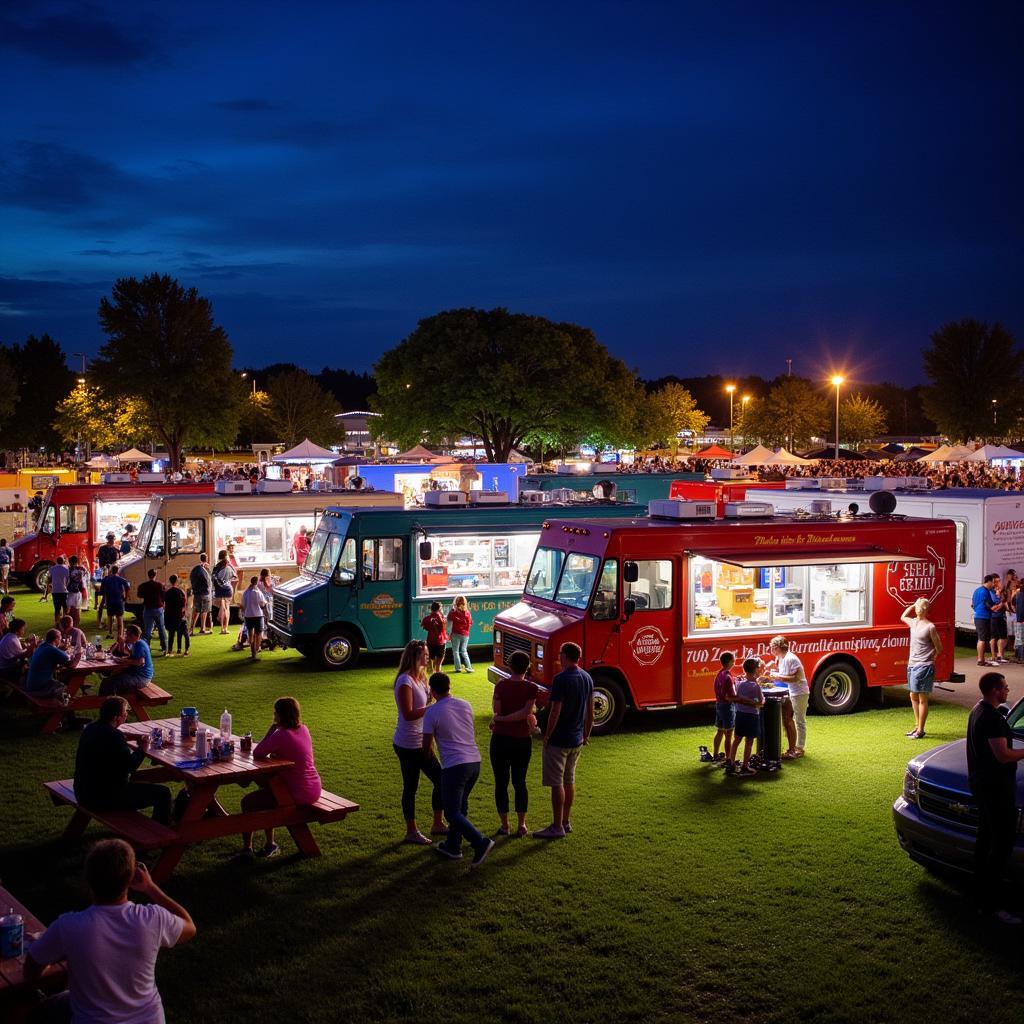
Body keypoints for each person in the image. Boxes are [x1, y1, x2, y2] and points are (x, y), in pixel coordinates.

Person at [25, 837, 195, 1022]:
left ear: (88, 879)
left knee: (40, 1010)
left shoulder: (68, 927)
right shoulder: (153, 918)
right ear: (130, 878)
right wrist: (151, 888)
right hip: (150, 1019)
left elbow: (31, 972)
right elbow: (189, 926)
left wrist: (68, 957)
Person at [966, 672, 1024, 925]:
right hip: (996, 789)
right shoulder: (991, 718)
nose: (1008, 690)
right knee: (1000, 846)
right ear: (994, 690)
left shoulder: (976, 711)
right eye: (1004, 687)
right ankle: (992, 904)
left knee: (985, 841)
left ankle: (979, 897)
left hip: (982, 787)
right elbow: (1002, 755)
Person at [234, 696, 322, 861]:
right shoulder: (303, 729)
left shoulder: (282, 734)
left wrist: (271, 730)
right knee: (266, 788)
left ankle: (247, 849)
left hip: (298, 792)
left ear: (281, 715)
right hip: (313, 787)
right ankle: (270, 844)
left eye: (275, 713)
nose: (274, 716)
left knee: (248, 802)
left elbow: (258, 752)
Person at [422, 672, 495, 868]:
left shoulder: (431, 712)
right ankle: (453, 846)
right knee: (461, 807)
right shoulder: (465, 704)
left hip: (454, 766)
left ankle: (480, 842)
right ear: (449, 686)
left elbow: (426, 745)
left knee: (452, 812)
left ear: (432, 690)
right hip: (474, 762)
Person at [73, 696, 173, 823]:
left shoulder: (91, 728)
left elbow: (117, 736)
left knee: (141, 781)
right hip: (105, 797)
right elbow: (131, 766)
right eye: (125, 712)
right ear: (116, 717)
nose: (126, 715)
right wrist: (143, 747)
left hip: (83, 791)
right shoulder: (114, 737)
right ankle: (162, 834)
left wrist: (136, 736)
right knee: (163, 793)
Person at [535, 642, 594, 840]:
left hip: (560, 739)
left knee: (556, 783)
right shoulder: (587, 677)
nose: (559, 656)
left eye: (561, 653)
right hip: (577, 738)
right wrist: (586, 734)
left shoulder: (561, 679)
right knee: (569, 780)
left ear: (566, 656)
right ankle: (566, 821)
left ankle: (557, 825)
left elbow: (555, 711)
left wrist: (548, 735)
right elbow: (590, 710)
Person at [393, 639, 446, 844]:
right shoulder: (404, 681)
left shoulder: (422, 678)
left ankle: (437, 823)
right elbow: (407, 714)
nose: (428, 656)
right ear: (415, 657)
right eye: (424, 654)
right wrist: (432, 708)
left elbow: (425, 707)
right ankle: (411, 831)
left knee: (440, 779)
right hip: (407, 743)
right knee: (411, 786)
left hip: (420, 740)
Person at [490, 649, 543, 836]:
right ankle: (522, 824)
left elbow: (497, 710)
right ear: (527, 667)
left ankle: (505, 825)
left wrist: (500, 719)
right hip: (521, 739)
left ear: (509, 665)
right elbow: (525, 713)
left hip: (500, 738)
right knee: (519, 782)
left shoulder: (501, 686)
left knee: (501, 782)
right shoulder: (531, 688)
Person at [901, 597, 942, 739]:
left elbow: (939, 647)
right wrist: (912, 605)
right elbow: (903, 616)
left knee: (922, 698)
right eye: (917, 607)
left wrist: (932, 658)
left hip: (924, 666)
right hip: (912, 664)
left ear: (925, 610)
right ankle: (917, 725)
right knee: (913, 694)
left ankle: (921, 730)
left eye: (920, 607)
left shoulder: (930, 627)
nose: (917, 609)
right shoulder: (913, 623)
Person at [767, 635, 808, 759]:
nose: (771, 650)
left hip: (800, 692)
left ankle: (799, 748)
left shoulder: (791, 659)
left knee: (799, 720)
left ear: (778, 647)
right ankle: (793, 747)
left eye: (773, 647)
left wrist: (777, 677)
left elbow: (798, 677)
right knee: (789, 718)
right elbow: (781, 671)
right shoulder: (780, 657)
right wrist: (773, 672)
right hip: (791, 691)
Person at [727, 658, 766, 775]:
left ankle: (731, 762)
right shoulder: (756, 686)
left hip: (740, 715)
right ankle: (745, 765)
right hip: (752, 716)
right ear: (756, 670)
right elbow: (760, 701)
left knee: (737, 739)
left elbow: (737, 698)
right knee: (749, 742)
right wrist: (756, 702)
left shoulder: (739, 684)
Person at [26, 628, 79, 699]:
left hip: (31, 684)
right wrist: (78, 655)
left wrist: (61, 650)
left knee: (58, 681)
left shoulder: (42, 645)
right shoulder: (52, 650)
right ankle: (65, 707)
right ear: (56, 639)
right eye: (60, 640)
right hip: (39, 688)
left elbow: (57, 653)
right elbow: (70, 664)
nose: (60, 642)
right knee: (64, 687)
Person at [100, 623, 153, 694]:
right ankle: (108, 702)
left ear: (133, 635)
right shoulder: (137, 643)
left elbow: (140, 662)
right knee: (108, 680)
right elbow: (133, 658)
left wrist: (123, 660)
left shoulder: (139, 645)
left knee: (110, 682)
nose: (126, 637)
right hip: (135, 674)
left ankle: (110, 702)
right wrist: (120, 659)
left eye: (127, 635)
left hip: (141, 677)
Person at [711, 651, 737, 764]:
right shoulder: (728, 676)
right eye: (734, 660)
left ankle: (716, 754)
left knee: (720, 730)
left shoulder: (720, 673)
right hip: (727, 707)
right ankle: (729, 758)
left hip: (719, 704)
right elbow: (731, 695)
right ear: (731, 661)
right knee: (729, 733)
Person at [137, 568, 168, 654]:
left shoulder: (143, 585)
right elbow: (163, 596)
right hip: (158, 608)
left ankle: (147, 647)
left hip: (148, 609)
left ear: (148, 575)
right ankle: (164, 647)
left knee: (147, 629)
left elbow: (139, 595)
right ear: (155, 575)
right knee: (161, 628)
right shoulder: (159, 585)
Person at [972, 574, 999, 667]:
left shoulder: (977, 590)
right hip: (983, 617)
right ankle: (980, 660)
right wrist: (992, 607)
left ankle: (982, 659)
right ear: (989, 582)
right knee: (982, 638)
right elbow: (986, 602)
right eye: (993, 582)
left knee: (982, 637)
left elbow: (972, 604)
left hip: (978, 616)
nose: (993, 584)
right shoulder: (985, 591)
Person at [240, 575, 268, 660]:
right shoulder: (258, 593)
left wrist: (243, 613)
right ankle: (256, 650)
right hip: (258, 615)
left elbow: (243, 605)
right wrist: (266, 602)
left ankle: (253, 653)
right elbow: (262, 604)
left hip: (248, 615)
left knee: (250, 634)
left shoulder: (246, 592)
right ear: (256, 582)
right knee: (258, 634)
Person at [100, 565, 130, 640]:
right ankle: (120, 634)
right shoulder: (121, 579)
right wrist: (125, 597)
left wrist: (104, 597)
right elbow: (127, 587)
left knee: (110, 617)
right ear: (118, 571)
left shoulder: (106, 579)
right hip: (119, 601)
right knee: (119, 618)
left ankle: (110, 633)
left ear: (111, 571)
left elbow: (102, 590)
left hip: (109, 600)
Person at [164, 573, 189, 657]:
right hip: (178, 615)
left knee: (171, 633)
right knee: (180, 632)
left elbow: (165, 604)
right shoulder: (180, 592)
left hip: (170, 614)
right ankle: (180, 649)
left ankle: (170, 649)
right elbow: (184, 603)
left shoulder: (167, 592)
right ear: (177, 581)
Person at [212, 549, 236, 635]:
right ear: (226, 556)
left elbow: (213, 578)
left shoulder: (216, 567)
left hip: (219, 589)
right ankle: (226, 628)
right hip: (228, 589)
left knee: (222, 608)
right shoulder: (229, 567)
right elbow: (235, 576)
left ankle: (222, 628)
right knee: (227, 608)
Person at [447, 595, 473, 673]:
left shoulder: (452, 613)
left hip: (455, 633)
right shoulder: (467, 613)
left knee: (455, 651)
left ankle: (458, 668)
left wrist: (448, 634)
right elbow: (470, 623)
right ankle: (469, 667)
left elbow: (449, 625)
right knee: (464, 651)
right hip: (465, 634)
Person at [420, 600, 448, 674]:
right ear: (439, 609)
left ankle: (431, 672)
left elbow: (424, 627)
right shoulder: (442, 619)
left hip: (430, 641)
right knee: (439, 662)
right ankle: (437, 672)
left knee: (430, 658)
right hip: (440, 641)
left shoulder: (427, 618)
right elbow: (444, 628)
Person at [189, 552, 213, 634]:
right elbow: (208, 580)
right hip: (204, 593)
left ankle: (192, 628)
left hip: (198, 592)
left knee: (197, 611)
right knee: (203, 610)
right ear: (206, 559)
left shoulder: (196, 568)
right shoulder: (203, 569)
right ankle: (201, 628)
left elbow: (192, 579)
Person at [0, 617, 30, 681]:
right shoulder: (13, 640)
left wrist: (26, 644)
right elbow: (23, 655)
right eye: (22, 629)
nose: (23, 631)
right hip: (6, 670)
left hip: (3, 666)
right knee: (28, 661)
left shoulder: (8, 635)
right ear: (16, 631)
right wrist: (31, 647)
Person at [990, 573, 1009, 663]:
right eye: (996, 581)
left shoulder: (1000, 591)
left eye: (999, 581)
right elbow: (996, 605)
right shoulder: (991, 592)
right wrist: (1001, 601)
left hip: (1001, 616)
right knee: (995, 636)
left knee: (1003, 637)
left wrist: (1001, 594)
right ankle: (995, 655)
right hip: (994, 617)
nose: (998, 583)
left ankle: (1000, 654)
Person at [66, 555, 89, 629]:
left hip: (69, 592)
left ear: (69, 562)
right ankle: (76, 627)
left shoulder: (67, 570)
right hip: (78, 592)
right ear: (77, 562)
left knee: (68, 611)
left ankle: (68, 626)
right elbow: (86, 579)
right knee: (77, 610)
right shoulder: (82, 569)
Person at [49, 554, 70, 625]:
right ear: (63, 561)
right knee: (65, 606)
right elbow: (68, 579)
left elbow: (50, 578)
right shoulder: (66, 568)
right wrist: (66, 586)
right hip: (63, 590)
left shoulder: (52, 568)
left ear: (56, 561)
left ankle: (56, 622)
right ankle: (65, 621)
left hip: (55, 591)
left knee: (57, 608)